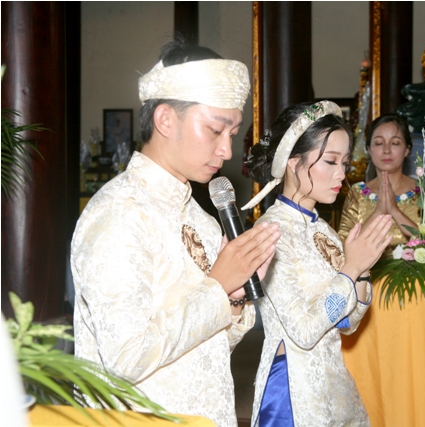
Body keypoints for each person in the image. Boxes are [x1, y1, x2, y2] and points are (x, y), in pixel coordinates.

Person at [71, 40, 281, 427]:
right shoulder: (119, 213)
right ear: (166, 120)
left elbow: (209, 350)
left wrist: (234, 296)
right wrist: (217, 287)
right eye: (215, 130)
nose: (227, 150)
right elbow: (124, 359)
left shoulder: (202, 218)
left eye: (233, 133)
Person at [243, 101, 393, 426]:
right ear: (293, 162)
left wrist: (362, 270)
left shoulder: (323, 230)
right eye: (330, 161)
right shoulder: (271, 232)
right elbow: (304, 331)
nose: (342, 173)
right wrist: (350, 269)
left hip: (333, 381)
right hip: (293, 389)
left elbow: (348, 323)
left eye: (345, 162)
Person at [338, 113, 425, 257]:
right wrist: (379, 211)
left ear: (407, 149)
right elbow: (343, 248)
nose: (386, 150)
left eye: (395, 143)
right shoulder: (357, 193)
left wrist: (394, 210)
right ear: (369, 149)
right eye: (378, 143)